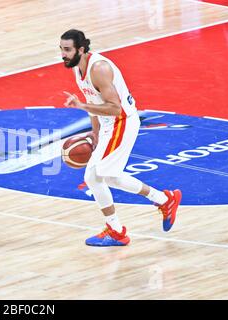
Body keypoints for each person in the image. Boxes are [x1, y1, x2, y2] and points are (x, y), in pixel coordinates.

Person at [59, 29, 182, 246]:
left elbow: (115, 109)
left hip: (121, 123)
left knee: (96, 176)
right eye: (61, 49)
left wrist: (80, 105)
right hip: (108, 125)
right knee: (106, 177)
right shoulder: (78, 68)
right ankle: (164, 200)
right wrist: (96, 132)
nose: (63, 54)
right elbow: (94, 104)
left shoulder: (99, 68)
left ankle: (118, 229)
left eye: (67, 50)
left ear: (81, 49)